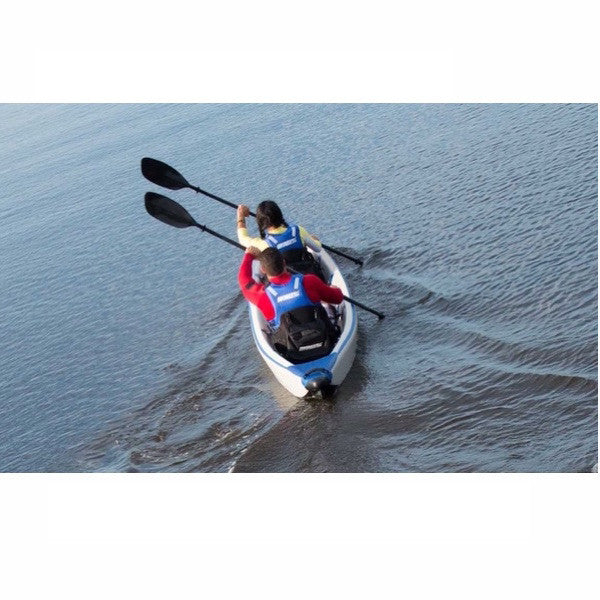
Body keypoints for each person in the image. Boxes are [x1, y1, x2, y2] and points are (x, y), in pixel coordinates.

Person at [239, 246, 343, 363]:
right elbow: (338, 298)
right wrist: (335, 289)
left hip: (291, 354)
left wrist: (248, 255)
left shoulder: (262, 295)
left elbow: (244, 281)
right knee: (326, 304)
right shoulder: (309, 281)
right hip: (325, 343)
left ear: (263, 269)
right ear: (284, 262)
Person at [236, 200, 325, 279]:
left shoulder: (264, 244)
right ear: (279, 215)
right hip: (310, 275)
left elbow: (243, 239)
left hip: (287, 282)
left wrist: (241, 216)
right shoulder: (297, 230)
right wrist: (315, 239)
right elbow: (317, 248)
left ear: (261, 222)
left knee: (257, 262)